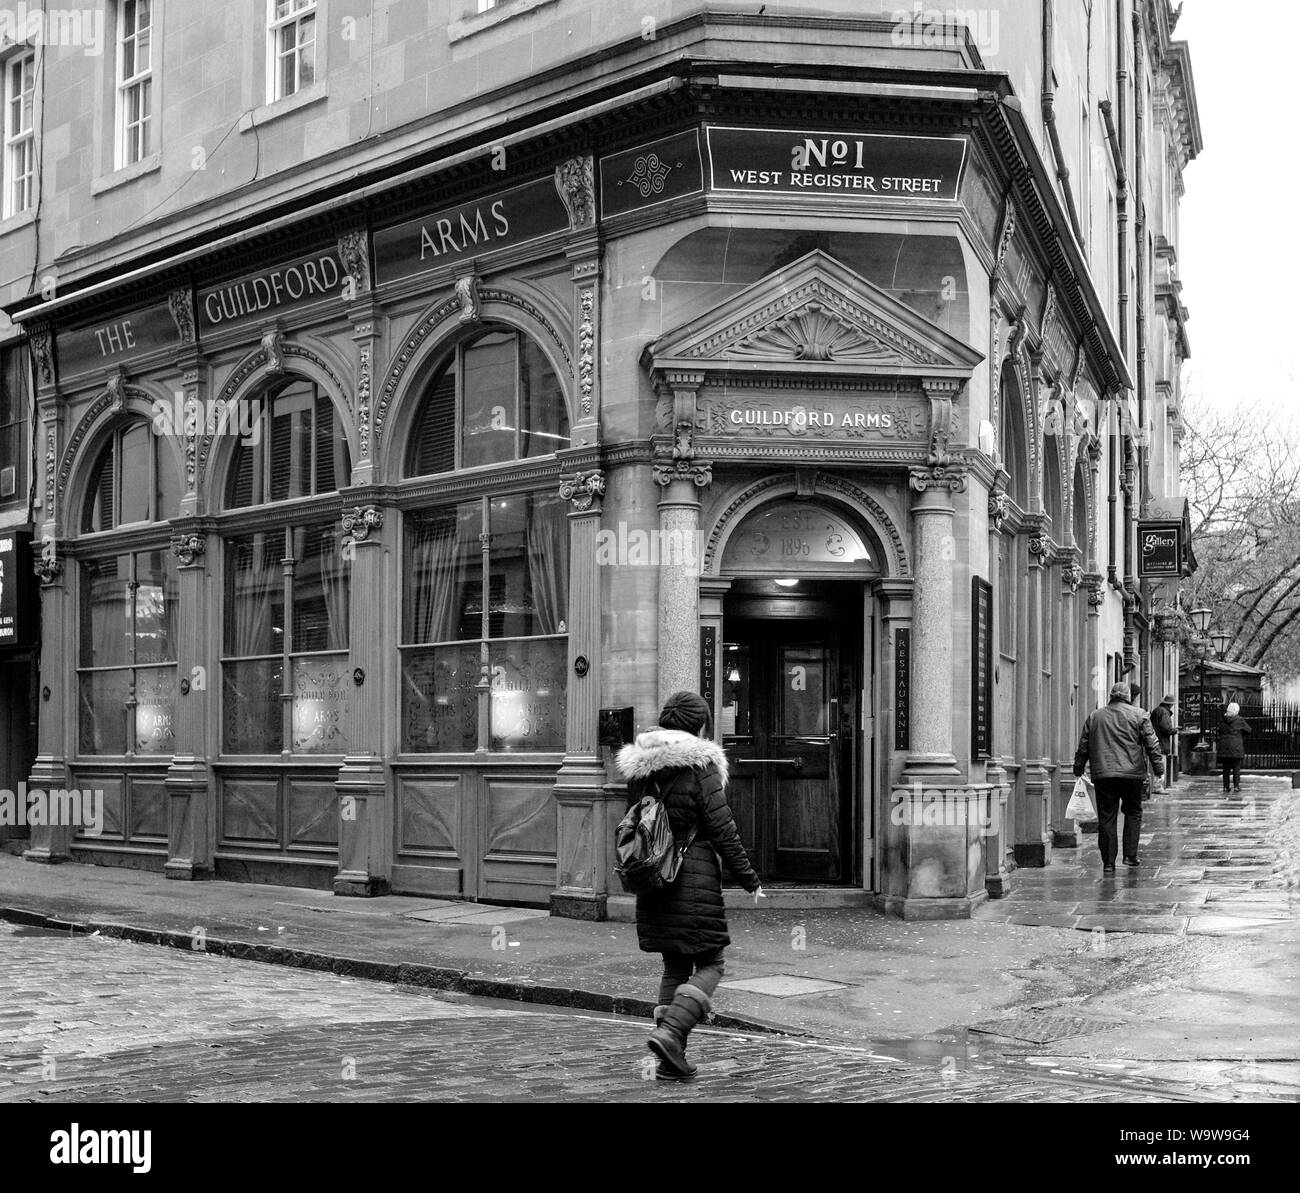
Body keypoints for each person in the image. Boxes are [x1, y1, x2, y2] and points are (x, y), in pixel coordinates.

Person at [615, 690, 763, 1080]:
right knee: (711, 961)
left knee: (675, 966)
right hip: (691, 878)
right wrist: (749, 879)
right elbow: (721, 828)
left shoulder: (640, 767)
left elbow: (634, 823)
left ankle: (669, 1059)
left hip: (653, 878)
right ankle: (673, 1031)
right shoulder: (701, 766)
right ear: (699, 725)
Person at [1073, 681, 1165, 873]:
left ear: (1111, 696)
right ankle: (1130, 856)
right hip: (1132, 774)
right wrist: (1159, 769)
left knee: (1107, 817)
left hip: (1103, 774)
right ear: (1128, 697)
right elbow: (1152, 743)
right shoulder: (1139, 714)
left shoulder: (1095, 716)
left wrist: (1078, 767)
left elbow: (1084, 745)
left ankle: (1108, 862)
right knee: (1133, 812)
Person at [1217, 701, 1249, 793]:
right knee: (1236, 768)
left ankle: (1225, 787)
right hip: (1236, 747)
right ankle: (1236, 786)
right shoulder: (1239, 720)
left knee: (1225, 768)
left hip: (1224, 747)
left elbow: (1220, 731)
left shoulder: (1223, 719)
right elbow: (1248, 730)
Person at [1150, 694, 1176, 789]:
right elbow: (1166, 728)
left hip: (1154, 742)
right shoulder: (1164, 712)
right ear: (1170, 704)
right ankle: (1159, 787)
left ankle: (1156, 786)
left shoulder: (1157, 710)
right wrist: (1174, 730)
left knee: (1156, 764)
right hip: (1161, 743)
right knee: (1161, 765)